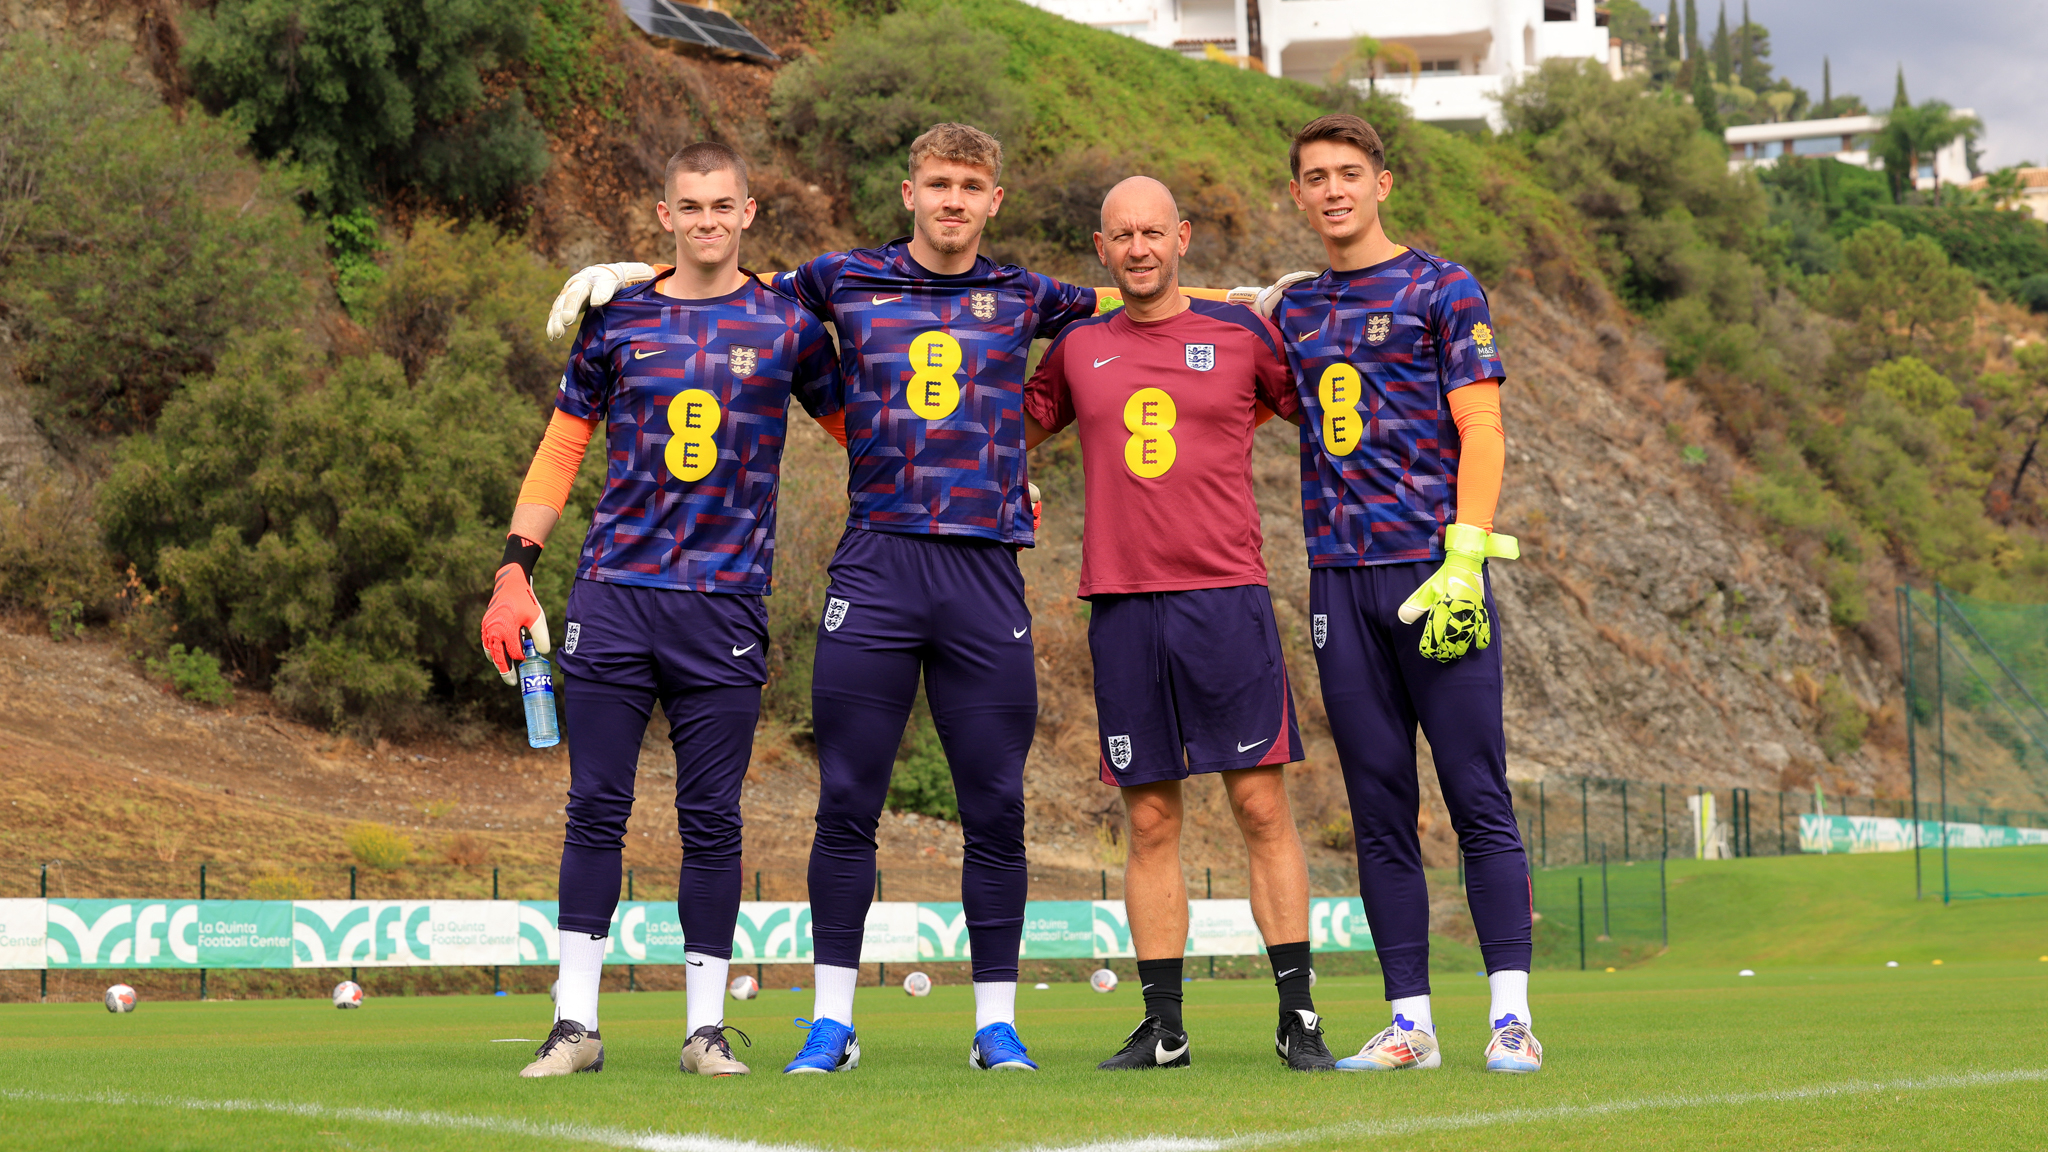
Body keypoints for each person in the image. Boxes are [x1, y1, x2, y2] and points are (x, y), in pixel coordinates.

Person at [480, 141, 840, 1078]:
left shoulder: (788, 323)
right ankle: (575, 1026)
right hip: (616, 594)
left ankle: (706, 1030)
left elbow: (864, 432)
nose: (708, 220)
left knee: (710, 817)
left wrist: (990, 484)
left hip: (724, 604)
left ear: (750, 212)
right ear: (666, 213)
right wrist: (515, 566)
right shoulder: (618, 316)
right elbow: (561, 451)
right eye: (692, 206)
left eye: (724, 205)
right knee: (594, 807)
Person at [1022, 177, 1335, 1072]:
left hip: (1224, 597)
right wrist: (1015, 478)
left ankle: (1297, 1015)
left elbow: (1314, 412)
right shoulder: (1079, 345)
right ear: (1101, 246)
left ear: (1183, 238)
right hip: (1122, 605)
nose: (1138, 249)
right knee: (1151, 821)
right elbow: (1004, 431)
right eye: (1121, 236)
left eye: (1153, 233)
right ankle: (1164, 1026)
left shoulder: (1241, 336)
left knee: (1259, 805)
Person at [1271, 114, 1539, 1073]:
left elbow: (1484, 426)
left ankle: (1511, 1018)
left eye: (1349, 172)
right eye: (1315, 177)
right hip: (1340, 584)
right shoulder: (1291, 311)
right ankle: (1410, 1025)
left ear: (1383, 182)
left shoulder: (1441, 286)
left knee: (1477, 797)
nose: (1333, 189)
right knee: (1377, 807)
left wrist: (1465, 553)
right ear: (1297, 195)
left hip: (1435, 576)